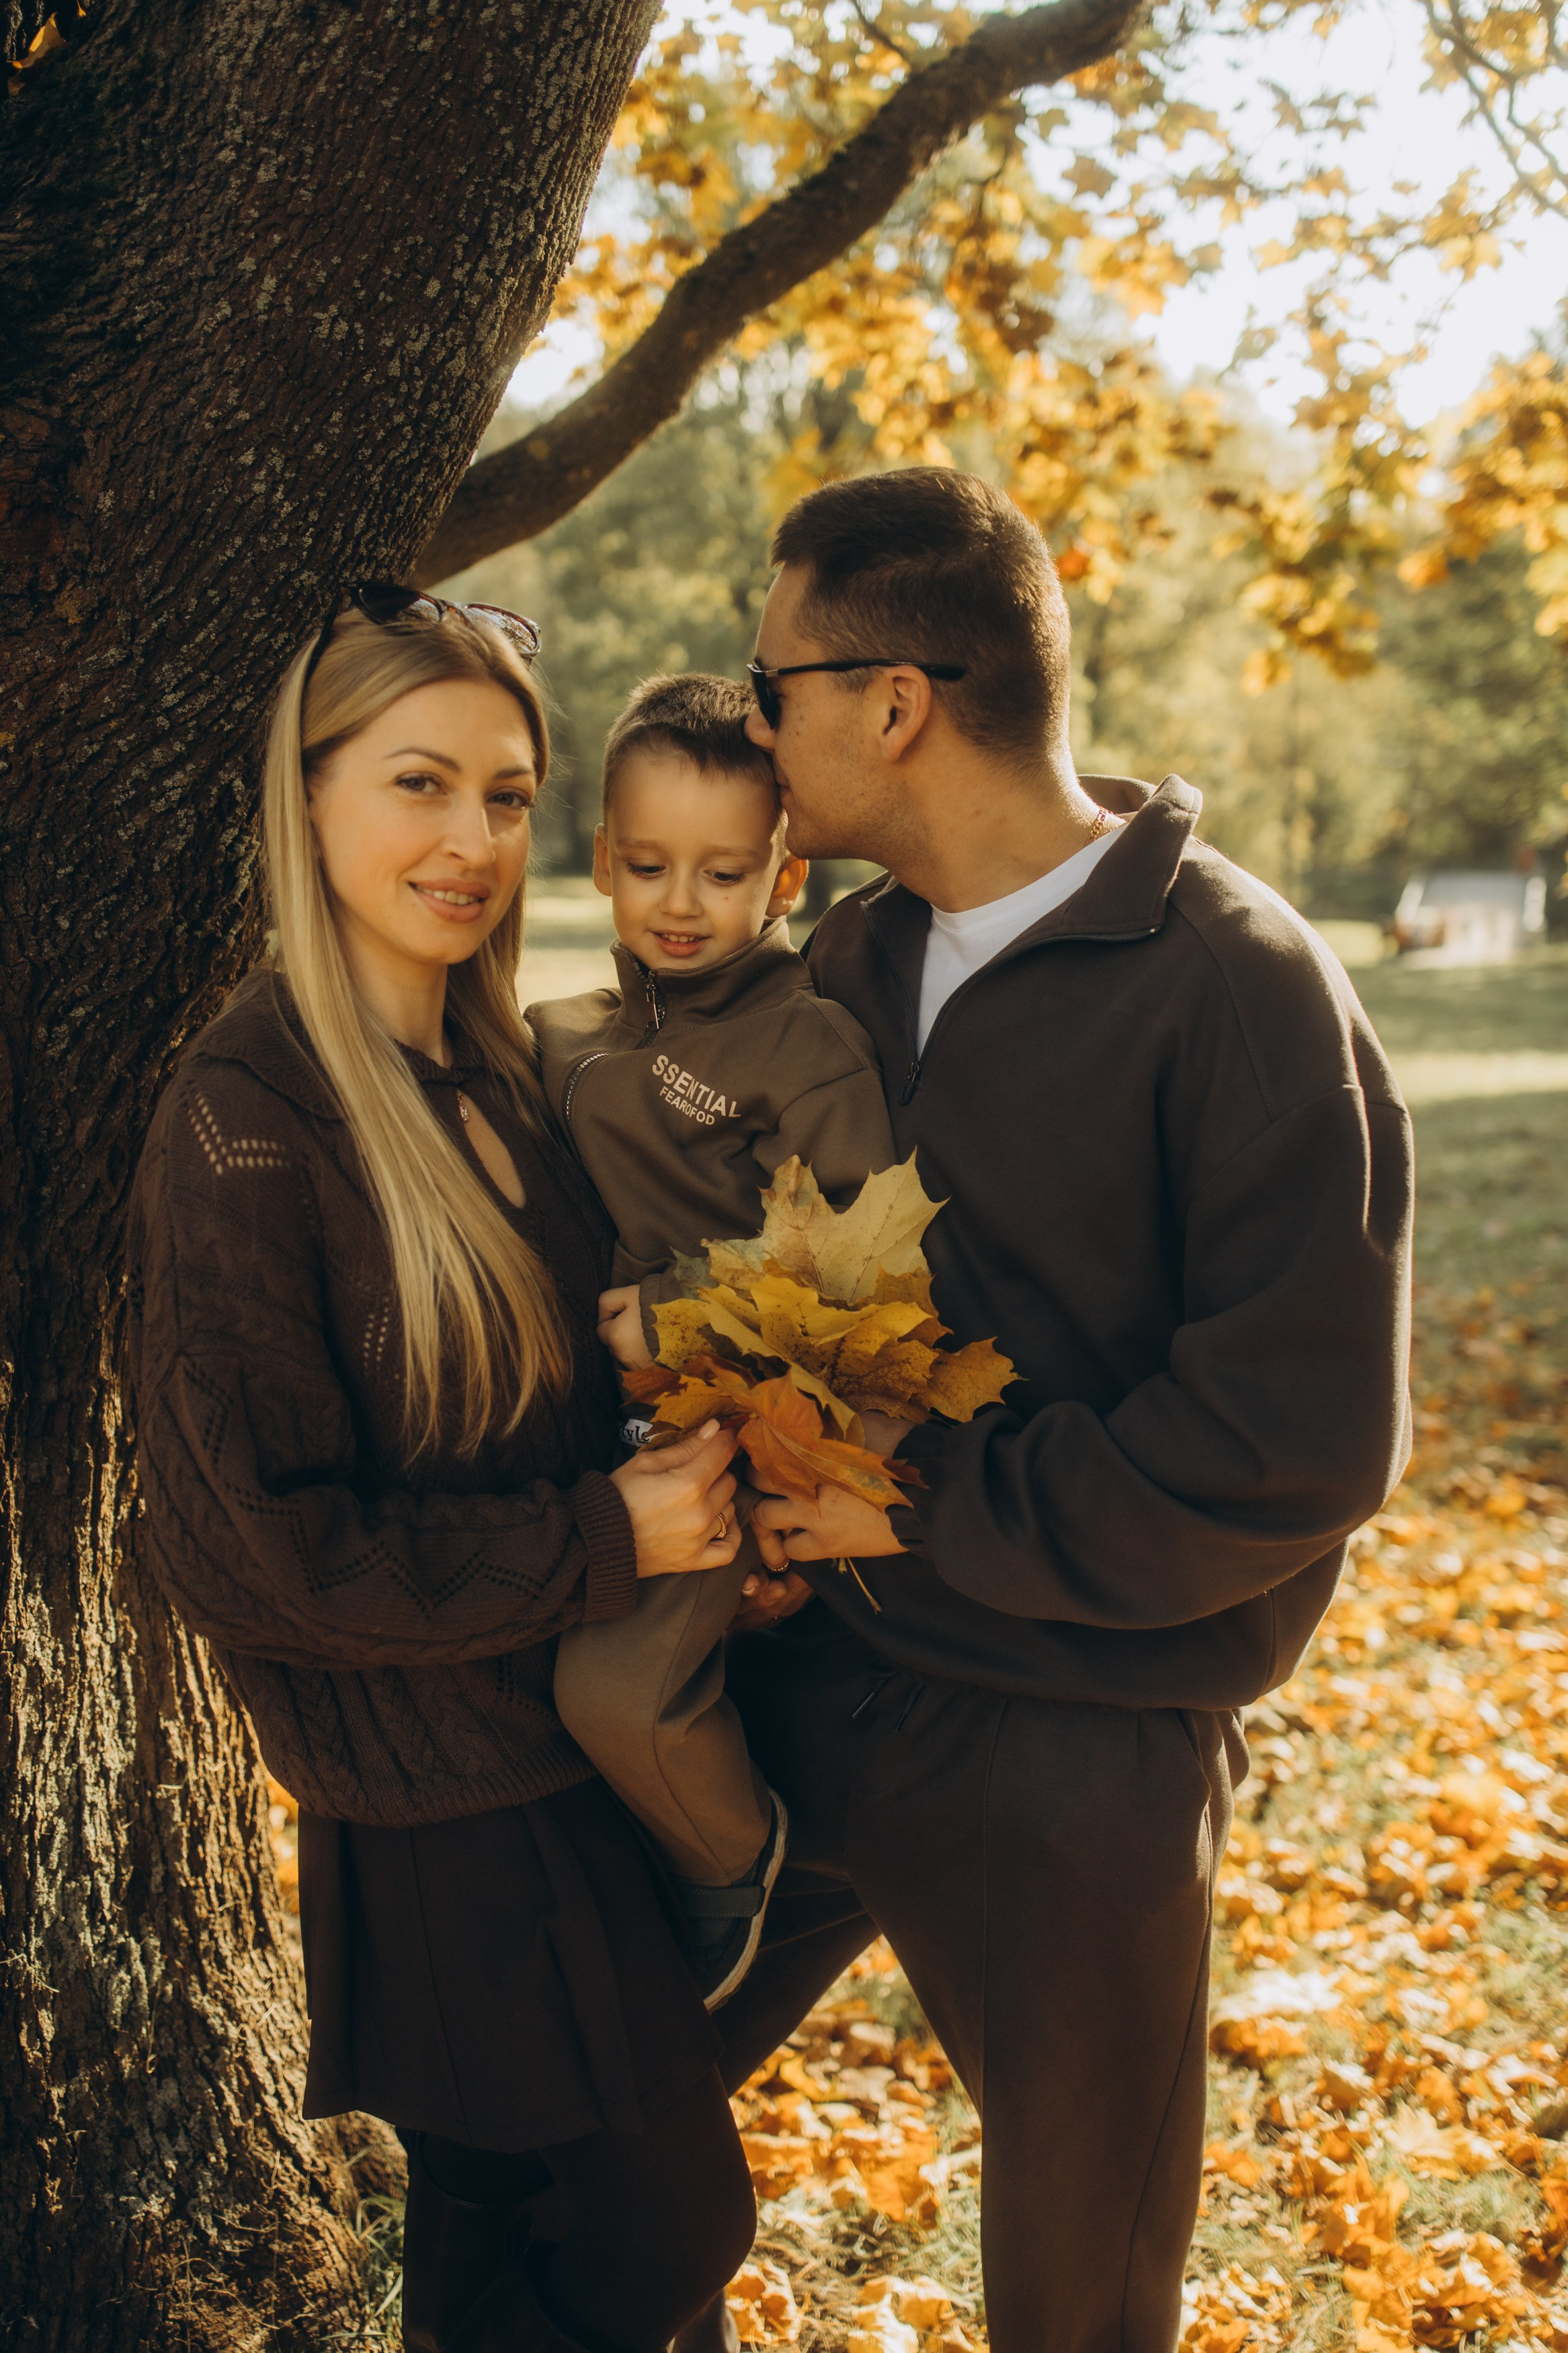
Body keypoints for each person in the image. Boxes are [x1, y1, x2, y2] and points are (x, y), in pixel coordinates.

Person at [708, 470, 1414, 2352]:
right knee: (566, 2095)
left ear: (891, 701)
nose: (748, 723)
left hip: (1070, 1732)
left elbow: (1292, 1439)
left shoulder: (1237, 983)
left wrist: (925, 1511)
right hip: (790, 1672)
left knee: (1075, 2290)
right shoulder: (841, 966)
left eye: (768, 681)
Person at [123, 590, 756, 2353]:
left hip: (581, 1734)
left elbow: (538, 1410)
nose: (469, 840)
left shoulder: (501, 1067)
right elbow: (250, 1553)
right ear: (308, 796)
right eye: (417, 783)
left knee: (510, 2228)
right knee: (674, 2213)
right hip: (445, 1801)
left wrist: (663, 1410)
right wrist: (597, 1533)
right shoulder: (252, 1112)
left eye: (502, 793)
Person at [530, 672, 895, 2006]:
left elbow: (858, 1277)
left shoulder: (804, 1047)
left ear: (783, 878)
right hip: (574, 1434)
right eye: (648, 864)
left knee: (614, 1690)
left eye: (723, 869)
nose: (681, 902)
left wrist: (685, 1312)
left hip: (723, 1433)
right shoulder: (565, 1035)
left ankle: (738, 1859)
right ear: (603, 862)